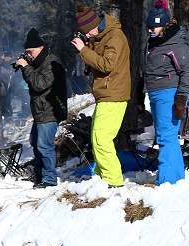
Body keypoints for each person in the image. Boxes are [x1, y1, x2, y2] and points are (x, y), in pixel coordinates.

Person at [72, 4, 131, 187]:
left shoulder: (114, 36)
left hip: (113, 94)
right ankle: (102, 176)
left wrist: (84, 50)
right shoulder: (102, 36)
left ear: (96, 24)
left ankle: (113, 180)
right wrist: (88, 45)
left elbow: (107, 65)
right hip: (106, 93)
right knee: (97, 137)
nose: (88, 35)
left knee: (101, 138)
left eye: (88, 32)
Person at [142, 0, 189, 186]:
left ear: (163, 25)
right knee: (165, 135)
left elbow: (187, 71)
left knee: (166, 136)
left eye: (153, 27)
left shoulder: (175, 42)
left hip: (169, 93)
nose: (149, 30)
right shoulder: (155, 42)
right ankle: (175, 177)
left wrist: (180, 98)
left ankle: (167, 180)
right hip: (156, 93)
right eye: (148, 27)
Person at [14, 28, 68, 188]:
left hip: (50, 110)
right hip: (40, 111)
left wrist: (26, 67)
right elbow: (33, 81)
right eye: (27, 53)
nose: (29, 55)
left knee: (45, 145)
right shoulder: (38, 63)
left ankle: (50, 179)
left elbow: (40, 84)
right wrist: (26, 67)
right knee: (35, 142)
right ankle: (39, 174)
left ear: (41, 48)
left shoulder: (52, 62)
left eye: (31, 52)